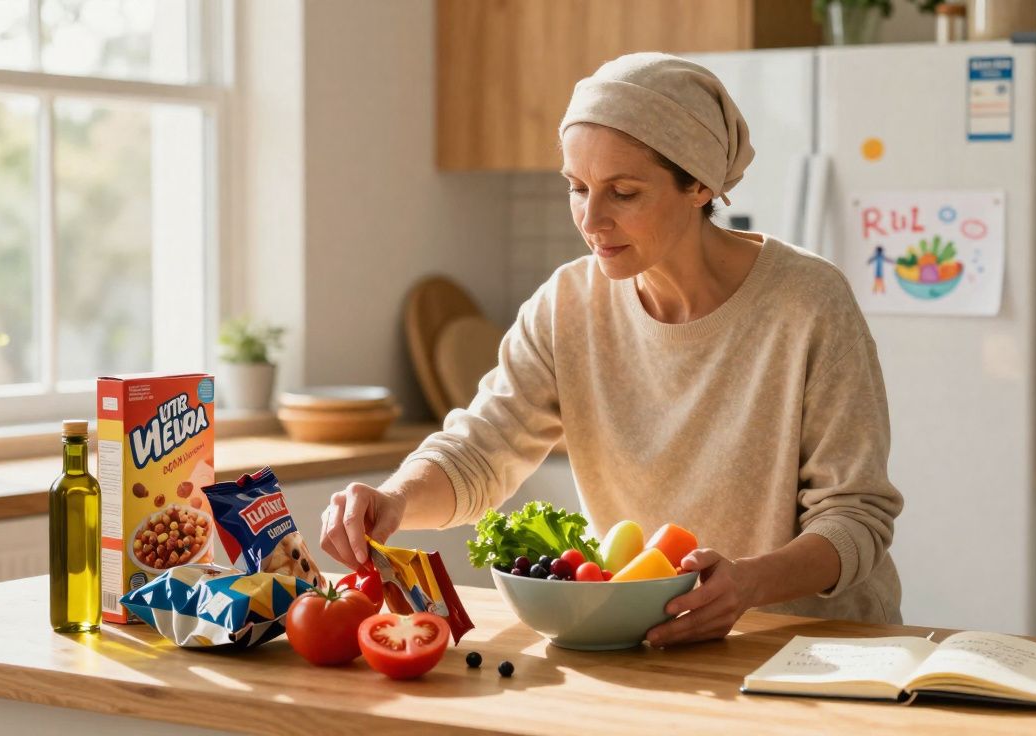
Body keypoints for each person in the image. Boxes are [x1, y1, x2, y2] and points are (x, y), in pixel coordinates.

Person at [320, 52, 903, 646]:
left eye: (622, 192)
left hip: (815, 651)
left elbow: (855, 515)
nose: (591, 219)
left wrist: (747, 585)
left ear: (699, 184)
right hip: (649, 639)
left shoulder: (808, 302)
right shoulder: (567, 304)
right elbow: (479, 453)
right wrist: (393, 500)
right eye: (577, 187)